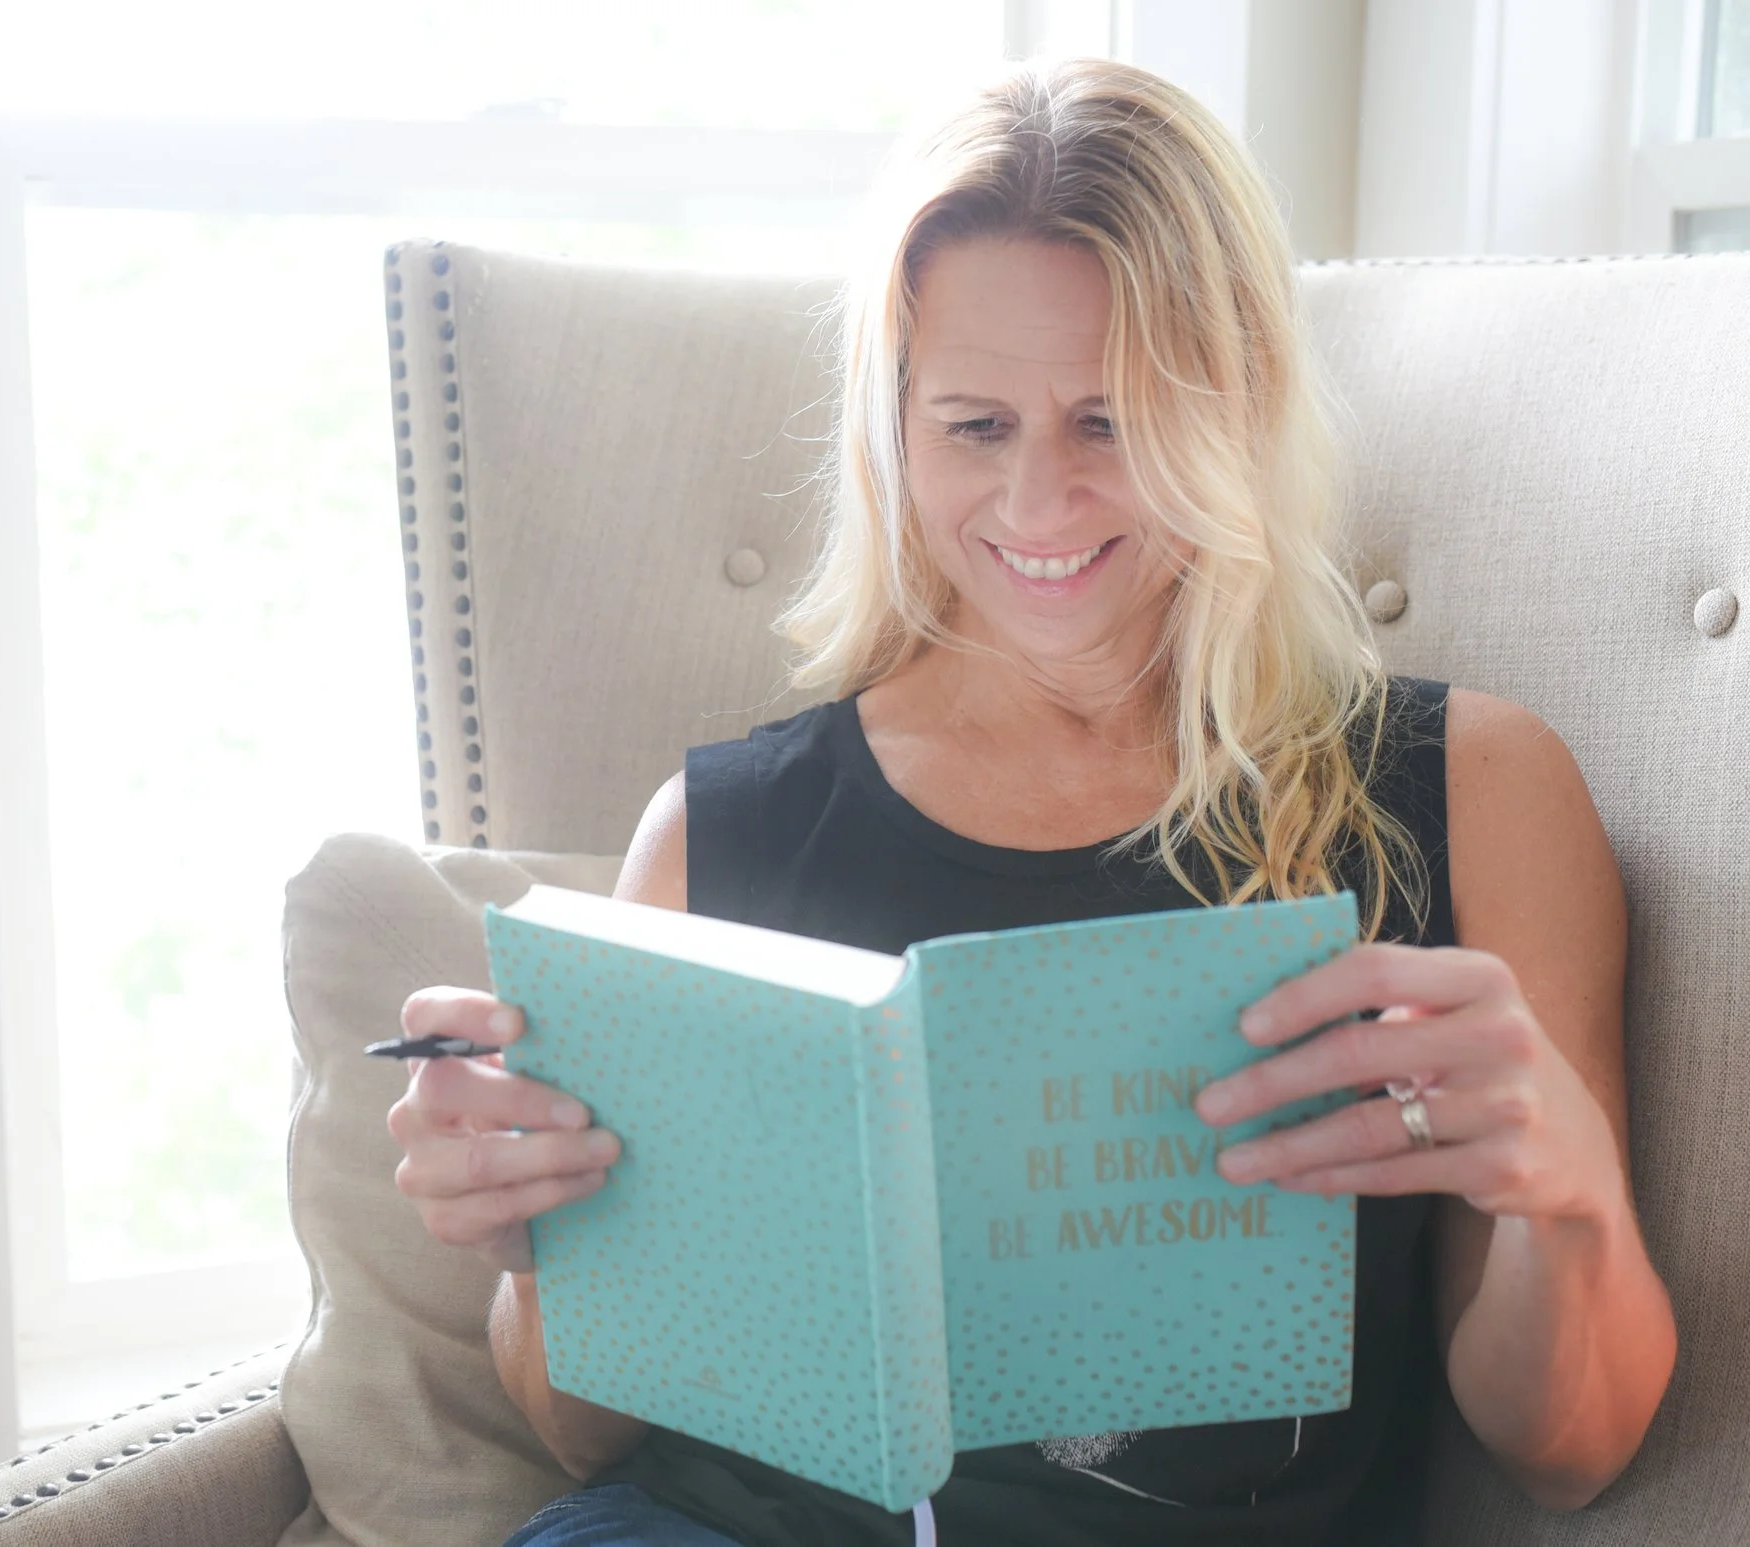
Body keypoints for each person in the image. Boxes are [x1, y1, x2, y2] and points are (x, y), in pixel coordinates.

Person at [382, 57, 1675, 1547]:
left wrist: (1569, 1197)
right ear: (895, 429)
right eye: (975, 425)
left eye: (1112, 421)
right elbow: (579, 1430)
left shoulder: (1468, 790)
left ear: (1240, 405)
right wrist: (540, 1242)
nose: (1039, 504)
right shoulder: (716, 834)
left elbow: (1571, 1458)